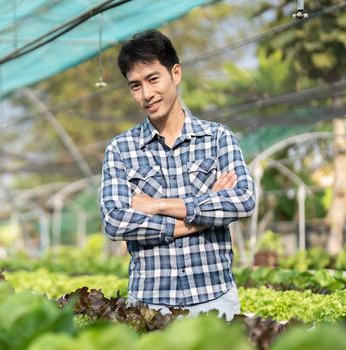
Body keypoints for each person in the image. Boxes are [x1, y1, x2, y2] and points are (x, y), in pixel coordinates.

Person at [99, 29, 256, 321]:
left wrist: (158, 205)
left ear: (176, 73)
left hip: (215, 300)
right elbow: (114, 221)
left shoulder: (218, 138)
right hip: (149, 305)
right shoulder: (120, 150)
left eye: (153, 79)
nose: (146, 94)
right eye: (135, 86)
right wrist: (203, 211)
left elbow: (244, 199)